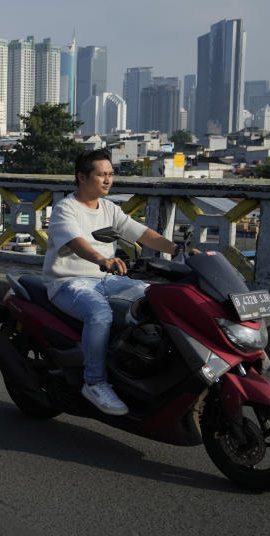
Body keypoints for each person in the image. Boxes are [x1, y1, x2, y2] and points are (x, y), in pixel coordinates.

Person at [42, 149, 182, 416]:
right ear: (82, 177)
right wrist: (101, 259)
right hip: (68, 282)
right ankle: (94, 382)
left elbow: (141, 233)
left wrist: (177, 250)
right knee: (99, 313)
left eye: (110, 174)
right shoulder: (65, 209)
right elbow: (77, 243)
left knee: (152, 297)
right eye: (101, 175)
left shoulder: (109, 208)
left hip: (107, 280)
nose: (107, 180)